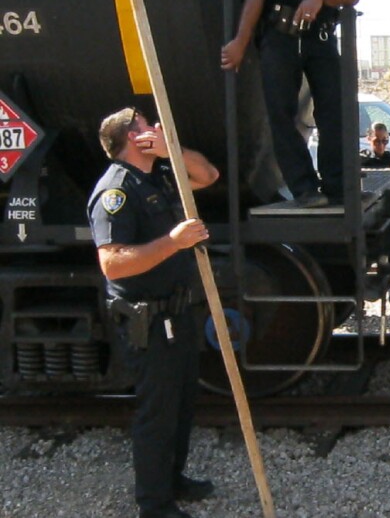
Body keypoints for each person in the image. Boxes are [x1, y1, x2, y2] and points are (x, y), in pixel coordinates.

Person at [87, 108, 220, 518]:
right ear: (131, 137)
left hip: (176, 313)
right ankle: (154, 504)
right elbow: (113, 263)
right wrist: (174, 242)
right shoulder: (116, 191)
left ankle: (172, 480)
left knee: (181, 405)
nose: (156, 128)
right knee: (158, 413)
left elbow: (208, 176)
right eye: (146, 125)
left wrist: (172, 149)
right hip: (147, 319)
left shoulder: (159, 175)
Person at [221, 0, 368, 208]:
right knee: (281, 113)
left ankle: (338, 186)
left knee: (336, 111)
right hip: (281, 35)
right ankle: (304, 188)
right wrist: (241, 41)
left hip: (322, 35)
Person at [360, 122, 390, 315]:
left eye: (384, 141)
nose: (381, 145)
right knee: (363, 261)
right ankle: (359, 303)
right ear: (368, 139)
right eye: (377, 141)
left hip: (389, 215)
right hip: (369, 217)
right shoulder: (363, 161)